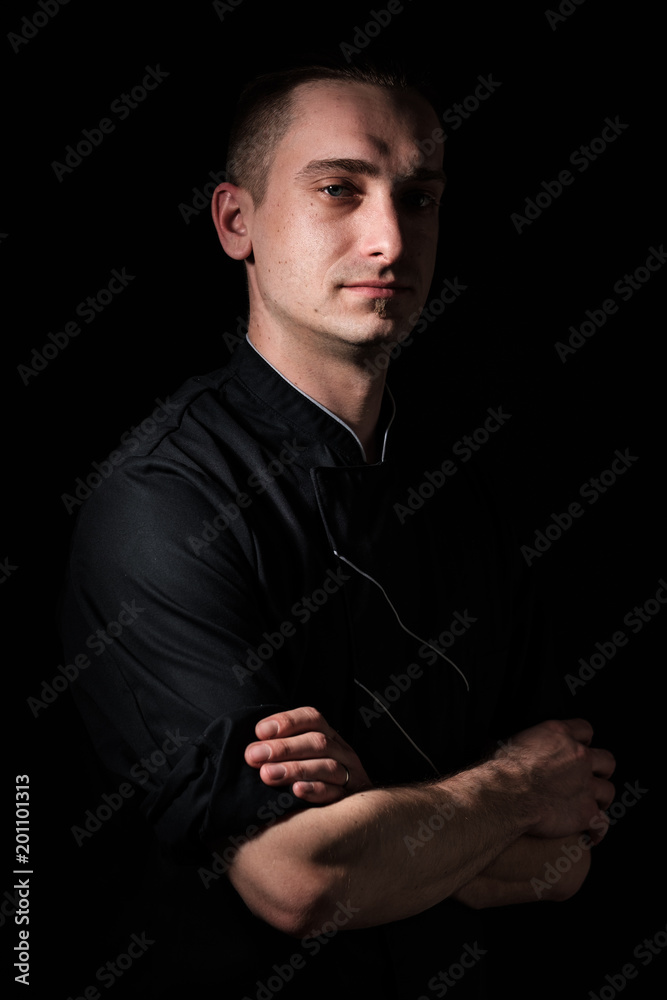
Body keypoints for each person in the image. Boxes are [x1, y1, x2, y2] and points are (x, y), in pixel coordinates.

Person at [60, 61, 615, 998]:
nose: (390, 237)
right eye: (338, 191)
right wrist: (509, 788)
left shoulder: (465, 492)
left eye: (421, 198)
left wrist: (369, 818)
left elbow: (568, 860)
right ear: (236, 221)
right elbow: (301, 880)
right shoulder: (162, 500)